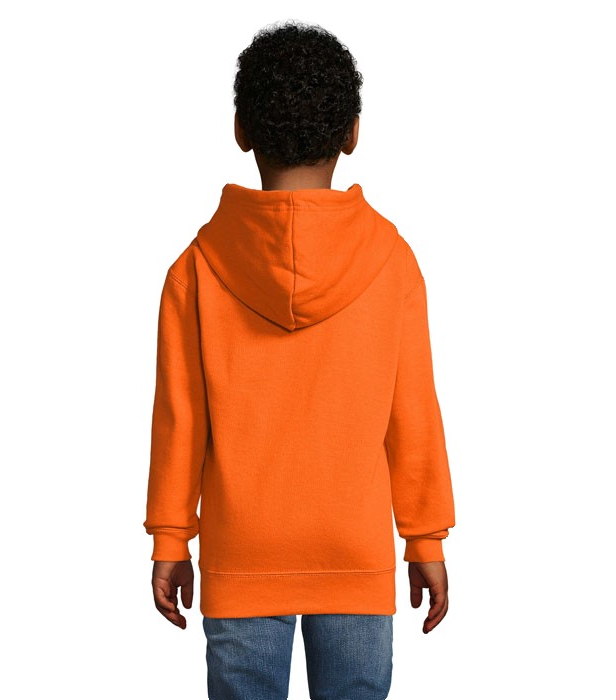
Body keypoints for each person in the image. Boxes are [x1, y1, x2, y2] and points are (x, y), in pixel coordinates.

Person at [143, 19, 456, 700]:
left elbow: (180, 421)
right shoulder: (391, 261)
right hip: (354, 553)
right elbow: (414, 415)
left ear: (241, 131)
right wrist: (424, 540)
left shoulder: (196, 269)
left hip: (241, 555)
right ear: (352, 134)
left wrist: (170, 538)